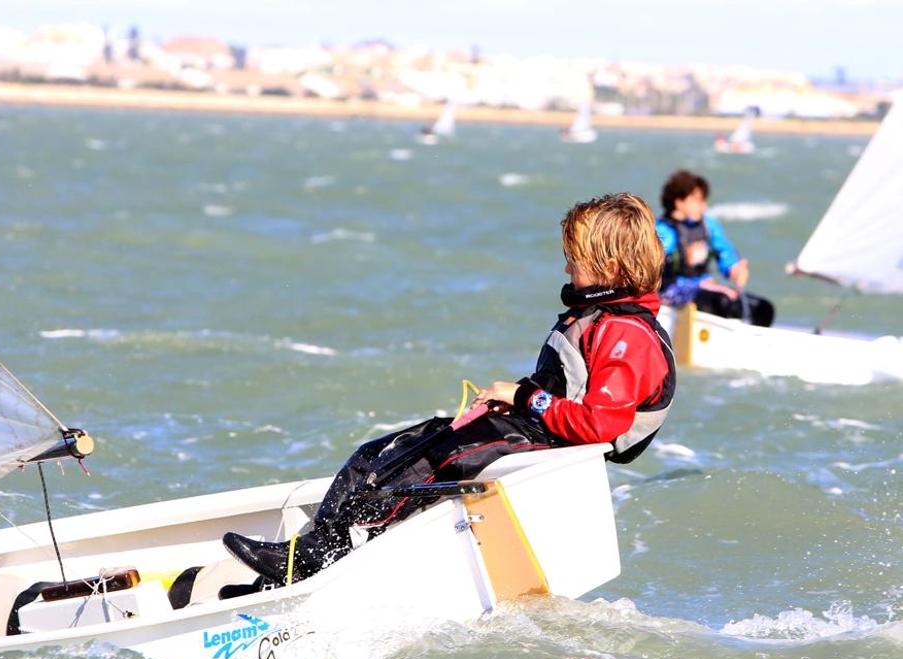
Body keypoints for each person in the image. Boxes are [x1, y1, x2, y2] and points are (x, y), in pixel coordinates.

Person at [222, 192, 677, 586]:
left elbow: (600, 424)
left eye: (574, 261)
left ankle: (329, 556)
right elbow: (563, 385)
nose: (565, 267)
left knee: (430, 463)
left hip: (552, 446)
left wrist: (523, 398)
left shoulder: (627, 335)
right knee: (382, 452)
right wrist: (509, 394)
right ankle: (314, 549)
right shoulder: (597, 319)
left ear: (611, 268)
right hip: (533, 427)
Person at [656, 170, 774, 326]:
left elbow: (724, 251)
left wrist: (734, 270)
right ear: (679, 202)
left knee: (763, 308)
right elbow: (649, 264)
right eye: (697, 200)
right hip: (672, 291)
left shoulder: (708, 226)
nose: (703, 205)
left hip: (705, 285)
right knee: (722, 302)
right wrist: (679, 259)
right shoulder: (663, 231)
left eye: (703, 200)